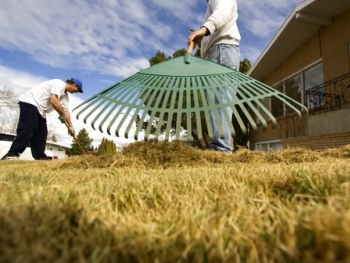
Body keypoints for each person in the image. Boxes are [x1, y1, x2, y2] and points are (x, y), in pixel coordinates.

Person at [188, 0, 241, 153]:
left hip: (221, 52)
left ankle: (220, 150)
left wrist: (202, 30)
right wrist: (201, 40)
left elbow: (222, 13)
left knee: (219, 101)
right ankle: (219, 147)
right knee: (218, 101)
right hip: (221, 52)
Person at [3, 78, 83, 160]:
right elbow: (53, 100)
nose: (77, 92)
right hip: (30, 102)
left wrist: (70, 126)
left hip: (41, 110)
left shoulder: (65, 97)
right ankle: (12, 154)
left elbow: (66, 111)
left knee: (42, 133)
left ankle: (40, 157)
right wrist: (61, 114)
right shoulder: (58, 83)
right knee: (29, 127)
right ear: (74, 85)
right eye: (78, 89)